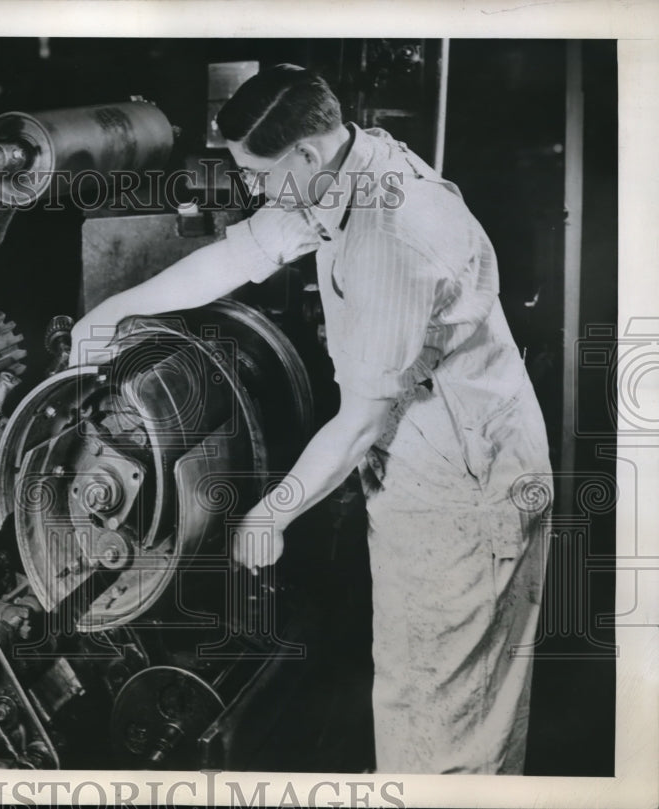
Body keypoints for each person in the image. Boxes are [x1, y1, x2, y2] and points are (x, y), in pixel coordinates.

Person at [69, 64, 552, 775]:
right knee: (416, 699)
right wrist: (111, 315)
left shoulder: (397, 234)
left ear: (303, 156)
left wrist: (271, 513)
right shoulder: (342, 167)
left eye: (255, 173)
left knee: (447, 723)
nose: (252, 189)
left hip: (465, 490)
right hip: (431, 460)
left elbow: (357, 421)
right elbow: (233, 258)